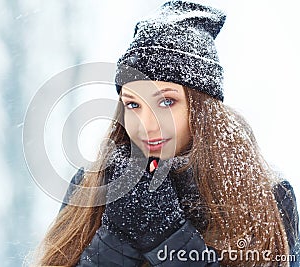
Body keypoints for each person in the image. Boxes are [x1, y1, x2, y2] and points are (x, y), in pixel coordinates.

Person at [33, 1, 299, 266]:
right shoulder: (92, 185)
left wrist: (166, 234)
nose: (147, 125)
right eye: (133, 104)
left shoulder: (265, 195)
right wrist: (116, 236)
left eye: (166, 102)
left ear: (202, 109)